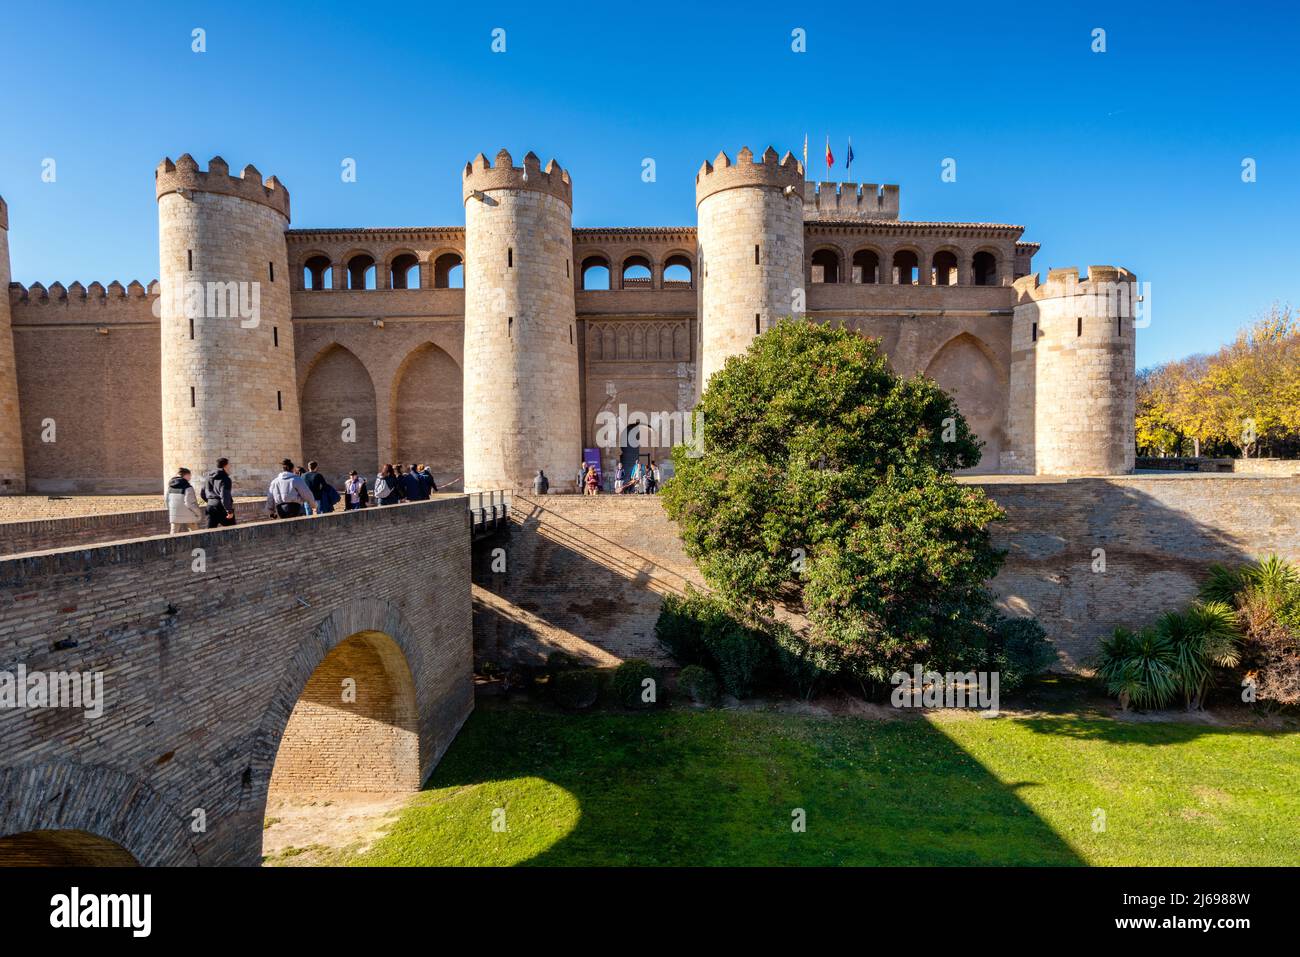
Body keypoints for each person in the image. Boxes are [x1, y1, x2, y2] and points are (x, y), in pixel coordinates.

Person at [164, 467, 203, 533]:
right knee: (196, 534)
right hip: (189, 514)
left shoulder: (170, 487)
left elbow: (167, 501)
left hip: (175, 514)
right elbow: (190, 503)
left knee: (173, 535)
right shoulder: (188, 487)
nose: (190, 478)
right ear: (186, 475)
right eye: (190, 475)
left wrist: (171, 511)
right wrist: (198, 513)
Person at [200, 457, 236, 527]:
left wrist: (211, 501)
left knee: (209, 533)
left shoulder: (208, 477)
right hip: (222, 508)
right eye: (229, 465)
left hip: (210, 507)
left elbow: (202, 493)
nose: (230, 466)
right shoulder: (226, 479)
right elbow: (225, 496)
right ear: (225, 466)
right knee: (233, 531)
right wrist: (229, 511)